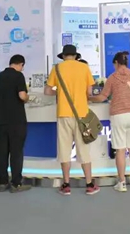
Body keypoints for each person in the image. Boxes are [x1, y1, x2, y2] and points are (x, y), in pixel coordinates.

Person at [45, 45, 99, 196]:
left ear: (63, 56)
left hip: (63, 113)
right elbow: (89, 92)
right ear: (76, 56)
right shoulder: (84, 68)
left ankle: (66, 184)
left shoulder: (57, 69)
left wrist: (59, 91)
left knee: (64, 150)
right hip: (81, 114)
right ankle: (89, 184)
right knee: (84, 150)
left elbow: (48, 91)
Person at [90, 52, 130, 192]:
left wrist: (89, 98)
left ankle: (122, 183)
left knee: (120, 150)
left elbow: (102, 97)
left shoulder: (112, 78)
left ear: (116, 63)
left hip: (119, 115)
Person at [0, 55, 30, 193]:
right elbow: (22, 95)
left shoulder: (0, 76)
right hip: (16, 120)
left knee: (2, 152)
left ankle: (3, 182)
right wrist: (27, 98)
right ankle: (16, 183)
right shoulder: (18, 76)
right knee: (16, 152)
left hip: (2, 119)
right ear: (21, 64)